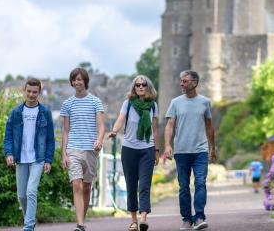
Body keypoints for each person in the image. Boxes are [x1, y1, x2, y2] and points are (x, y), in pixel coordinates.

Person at [163, 70, 216, 230]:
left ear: (194, 83)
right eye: (181, 81)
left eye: (185, 81)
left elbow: (209, 126)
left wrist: (212, 147)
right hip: (181, 151)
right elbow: (170, 125)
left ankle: (199, 217)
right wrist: (167, 145)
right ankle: (187, 219)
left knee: (200, 183)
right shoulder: (175, 102)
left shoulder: (205, 102)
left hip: (200, 150)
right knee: (184, 186)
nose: (181, 84)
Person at [107, 75, 160, 231]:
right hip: (129, 149)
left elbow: (155, 130)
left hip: (147, 150)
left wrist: (157, 150)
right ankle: (133, 220)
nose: (141, 87)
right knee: (131, 185)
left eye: (144, 84)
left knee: (144, 185)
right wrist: (114, 131)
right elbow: (120, 119)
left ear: (148, 86)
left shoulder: (153, 106)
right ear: (134, 88)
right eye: (138, 85)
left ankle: (143, 218)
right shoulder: (128, 104)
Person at [4, 78, 55, 231]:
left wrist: (48, 160)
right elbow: (8, 136)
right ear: (24, 91)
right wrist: (9, 154)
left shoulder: (45, 113)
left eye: (35, 92)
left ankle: (27, 226)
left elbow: (50, 139)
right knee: (21, 195)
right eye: (29, 91)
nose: (31, 95)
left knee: (31, 190)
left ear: (39, 93)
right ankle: (30, 221)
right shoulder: (16, 113)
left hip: (38, 158)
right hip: (20, 158)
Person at [61, 67, 105, 231]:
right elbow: (66, 130)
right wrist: (64, 153)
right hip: (73, 149)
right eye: (74, 79)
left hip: (91, 150)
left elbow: (101, 126)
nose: (77, 82)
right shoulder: (67, 104)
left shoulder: (95, 101)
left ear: (85, 81)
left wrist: (99, 140)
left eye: (80, 79)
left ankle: (82, 219)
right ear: (71, 82)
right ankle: (80, 224)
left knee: (87, 186)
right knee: (77, 185)